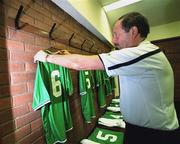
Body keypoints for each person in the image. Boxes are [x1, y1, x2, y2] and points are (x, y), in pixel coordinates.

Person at [34, 12, 179, 144]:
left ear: (133, 32)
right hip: (143, 130)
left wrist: (46, 57)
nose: (112, 39)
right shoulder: (142, 54)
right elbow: (86, 61)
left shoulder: (140, 53)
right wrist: (66, 56)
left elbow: (80, 64)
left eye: (116, 34)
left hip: (154, 135)